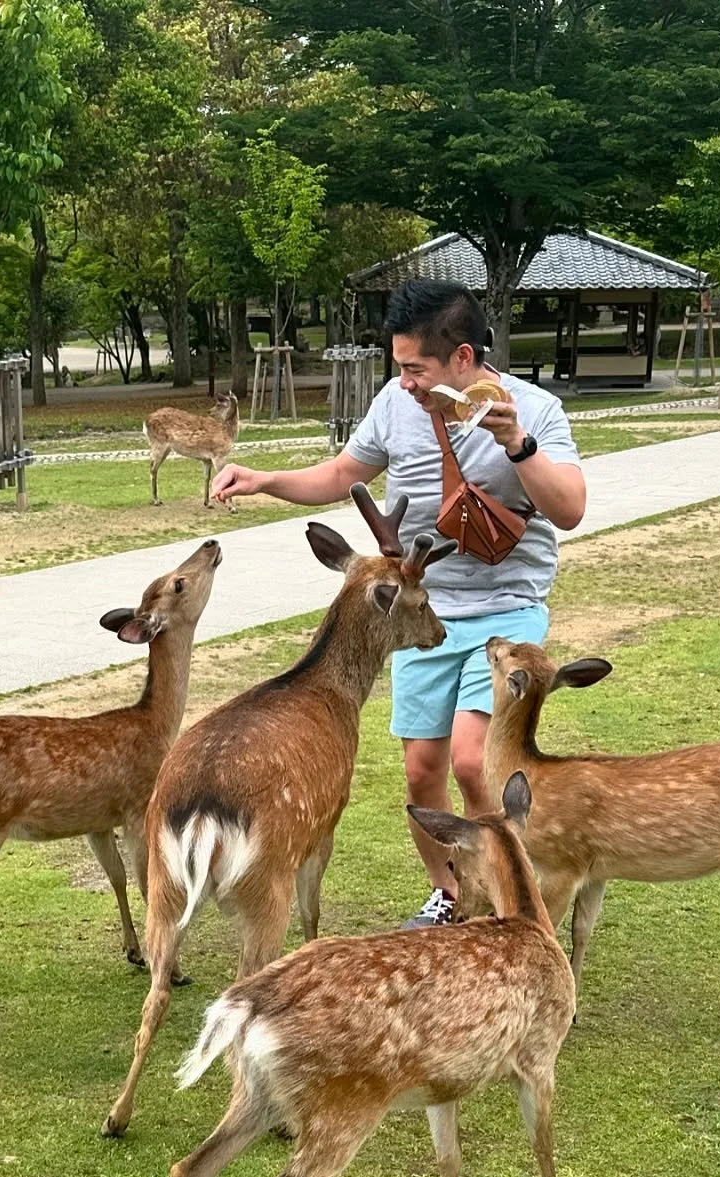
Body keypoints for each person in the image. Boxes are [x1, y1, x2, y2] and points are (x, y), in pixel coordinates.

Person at [212, 279, 586, 924]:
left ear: (462, 359)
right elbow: (342, 474)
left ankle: (504, 899)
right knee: (421, 771)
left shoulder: (534, 409)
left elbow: (570, 508)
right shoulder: (393, 403)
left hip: (506, 612)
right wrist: (265, 480)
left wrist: (518, 445)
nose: (405, 382)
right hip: (417, 617)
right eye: (400, 367)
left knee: (472, 761)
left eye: (416, 369)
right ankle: (452, 893)